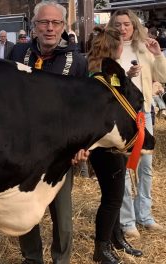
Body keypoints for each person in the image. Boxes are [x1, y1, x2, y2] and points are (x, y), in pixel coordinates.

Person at [9, 2, 87, 263]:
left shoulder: (77, 61)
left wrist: (81, 144)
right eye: (43, 22)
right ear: (34, 26)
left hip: (60, 154)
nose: (49, 28)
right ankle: (32, 259)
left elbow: (84, 110)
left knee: (63, 218)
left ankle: (61, 260)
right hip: (24, 152)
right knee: (25, 212)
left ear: (64, 27)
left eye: (55, 23)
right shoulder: (17, 53)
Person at [87, 26, 143, 264]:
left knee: (115, 196)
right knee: (112, 198)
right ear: (115, 48)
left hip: (113, 144)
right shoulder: (101, 77)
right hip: (106, 145)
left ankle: (116, 237)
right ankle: (102, 248)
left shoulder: (102, 73)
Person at [108, 9, 166, 239]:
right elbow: (107, 82)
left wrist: (158, 54)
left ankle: (145, 215)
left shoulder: (145, 48)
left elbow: (161, 77)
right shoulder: (110, 50)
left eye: (127, 24)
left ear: (134, 26)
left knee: (146, 166)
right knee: (123, 167)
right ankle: (127, 219)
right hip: (120, 115)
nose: (123, 29)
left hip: (144, 115)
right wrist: (128, 76)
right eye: (119, 24)